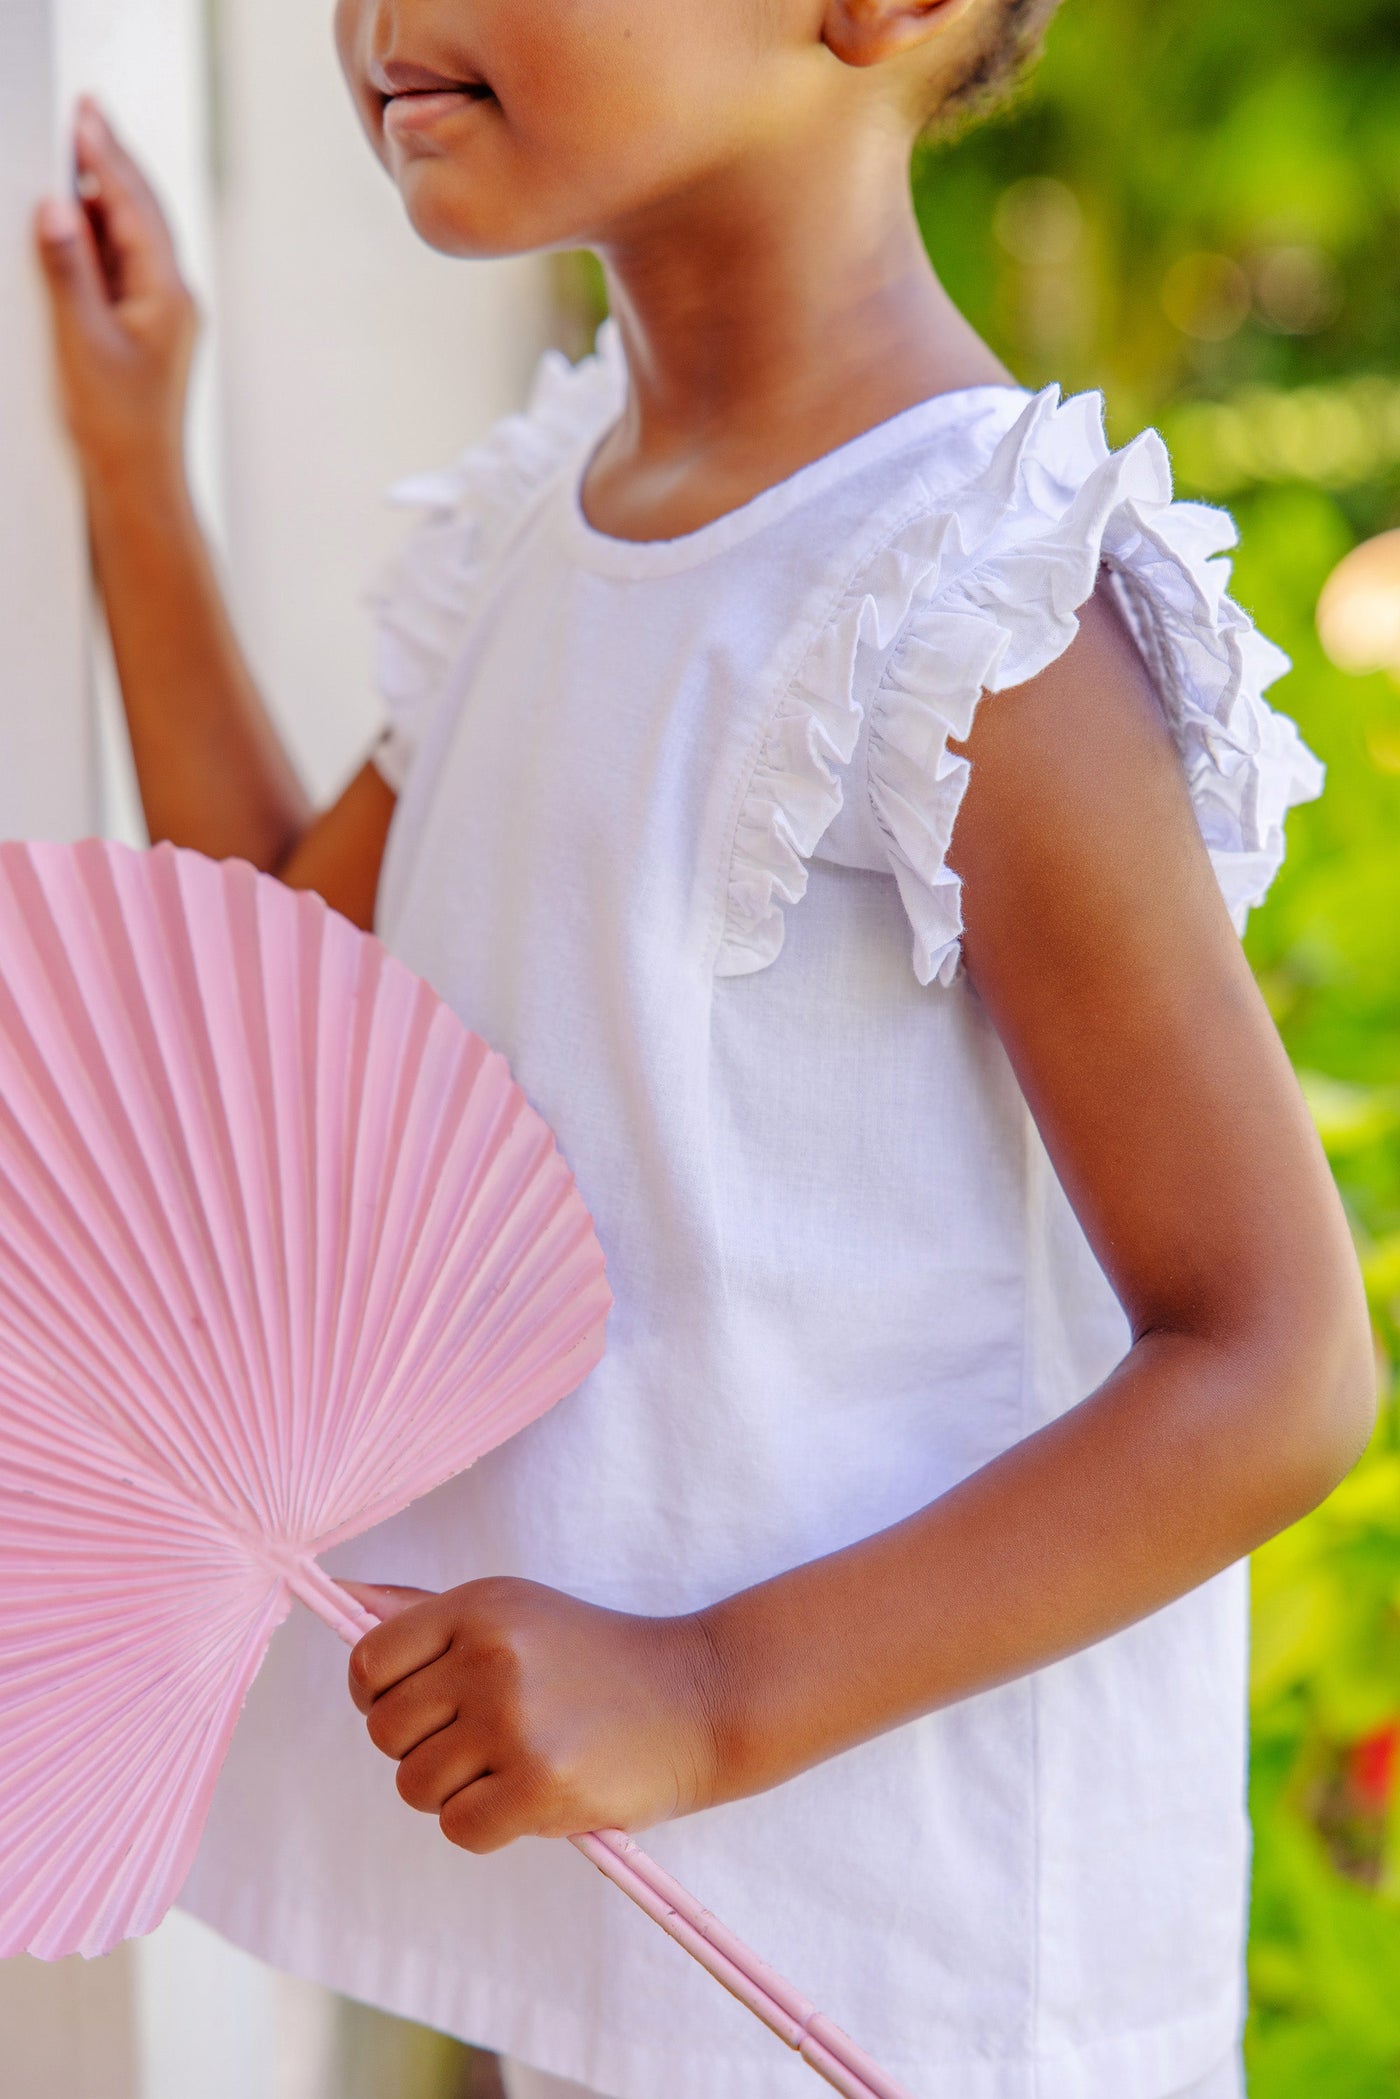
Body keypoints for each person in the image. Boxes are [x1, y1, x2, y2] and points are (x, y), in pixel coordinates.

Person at [34, 4, 1375, 2097]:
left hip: (908, 1979)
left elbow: (1271, 1367)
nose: (382, 17)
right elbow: (285, 989)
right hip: (624, 1914)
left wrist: (709, 1689)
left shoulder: (969, 598)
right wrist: (134, 462)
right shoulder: (539, 523)